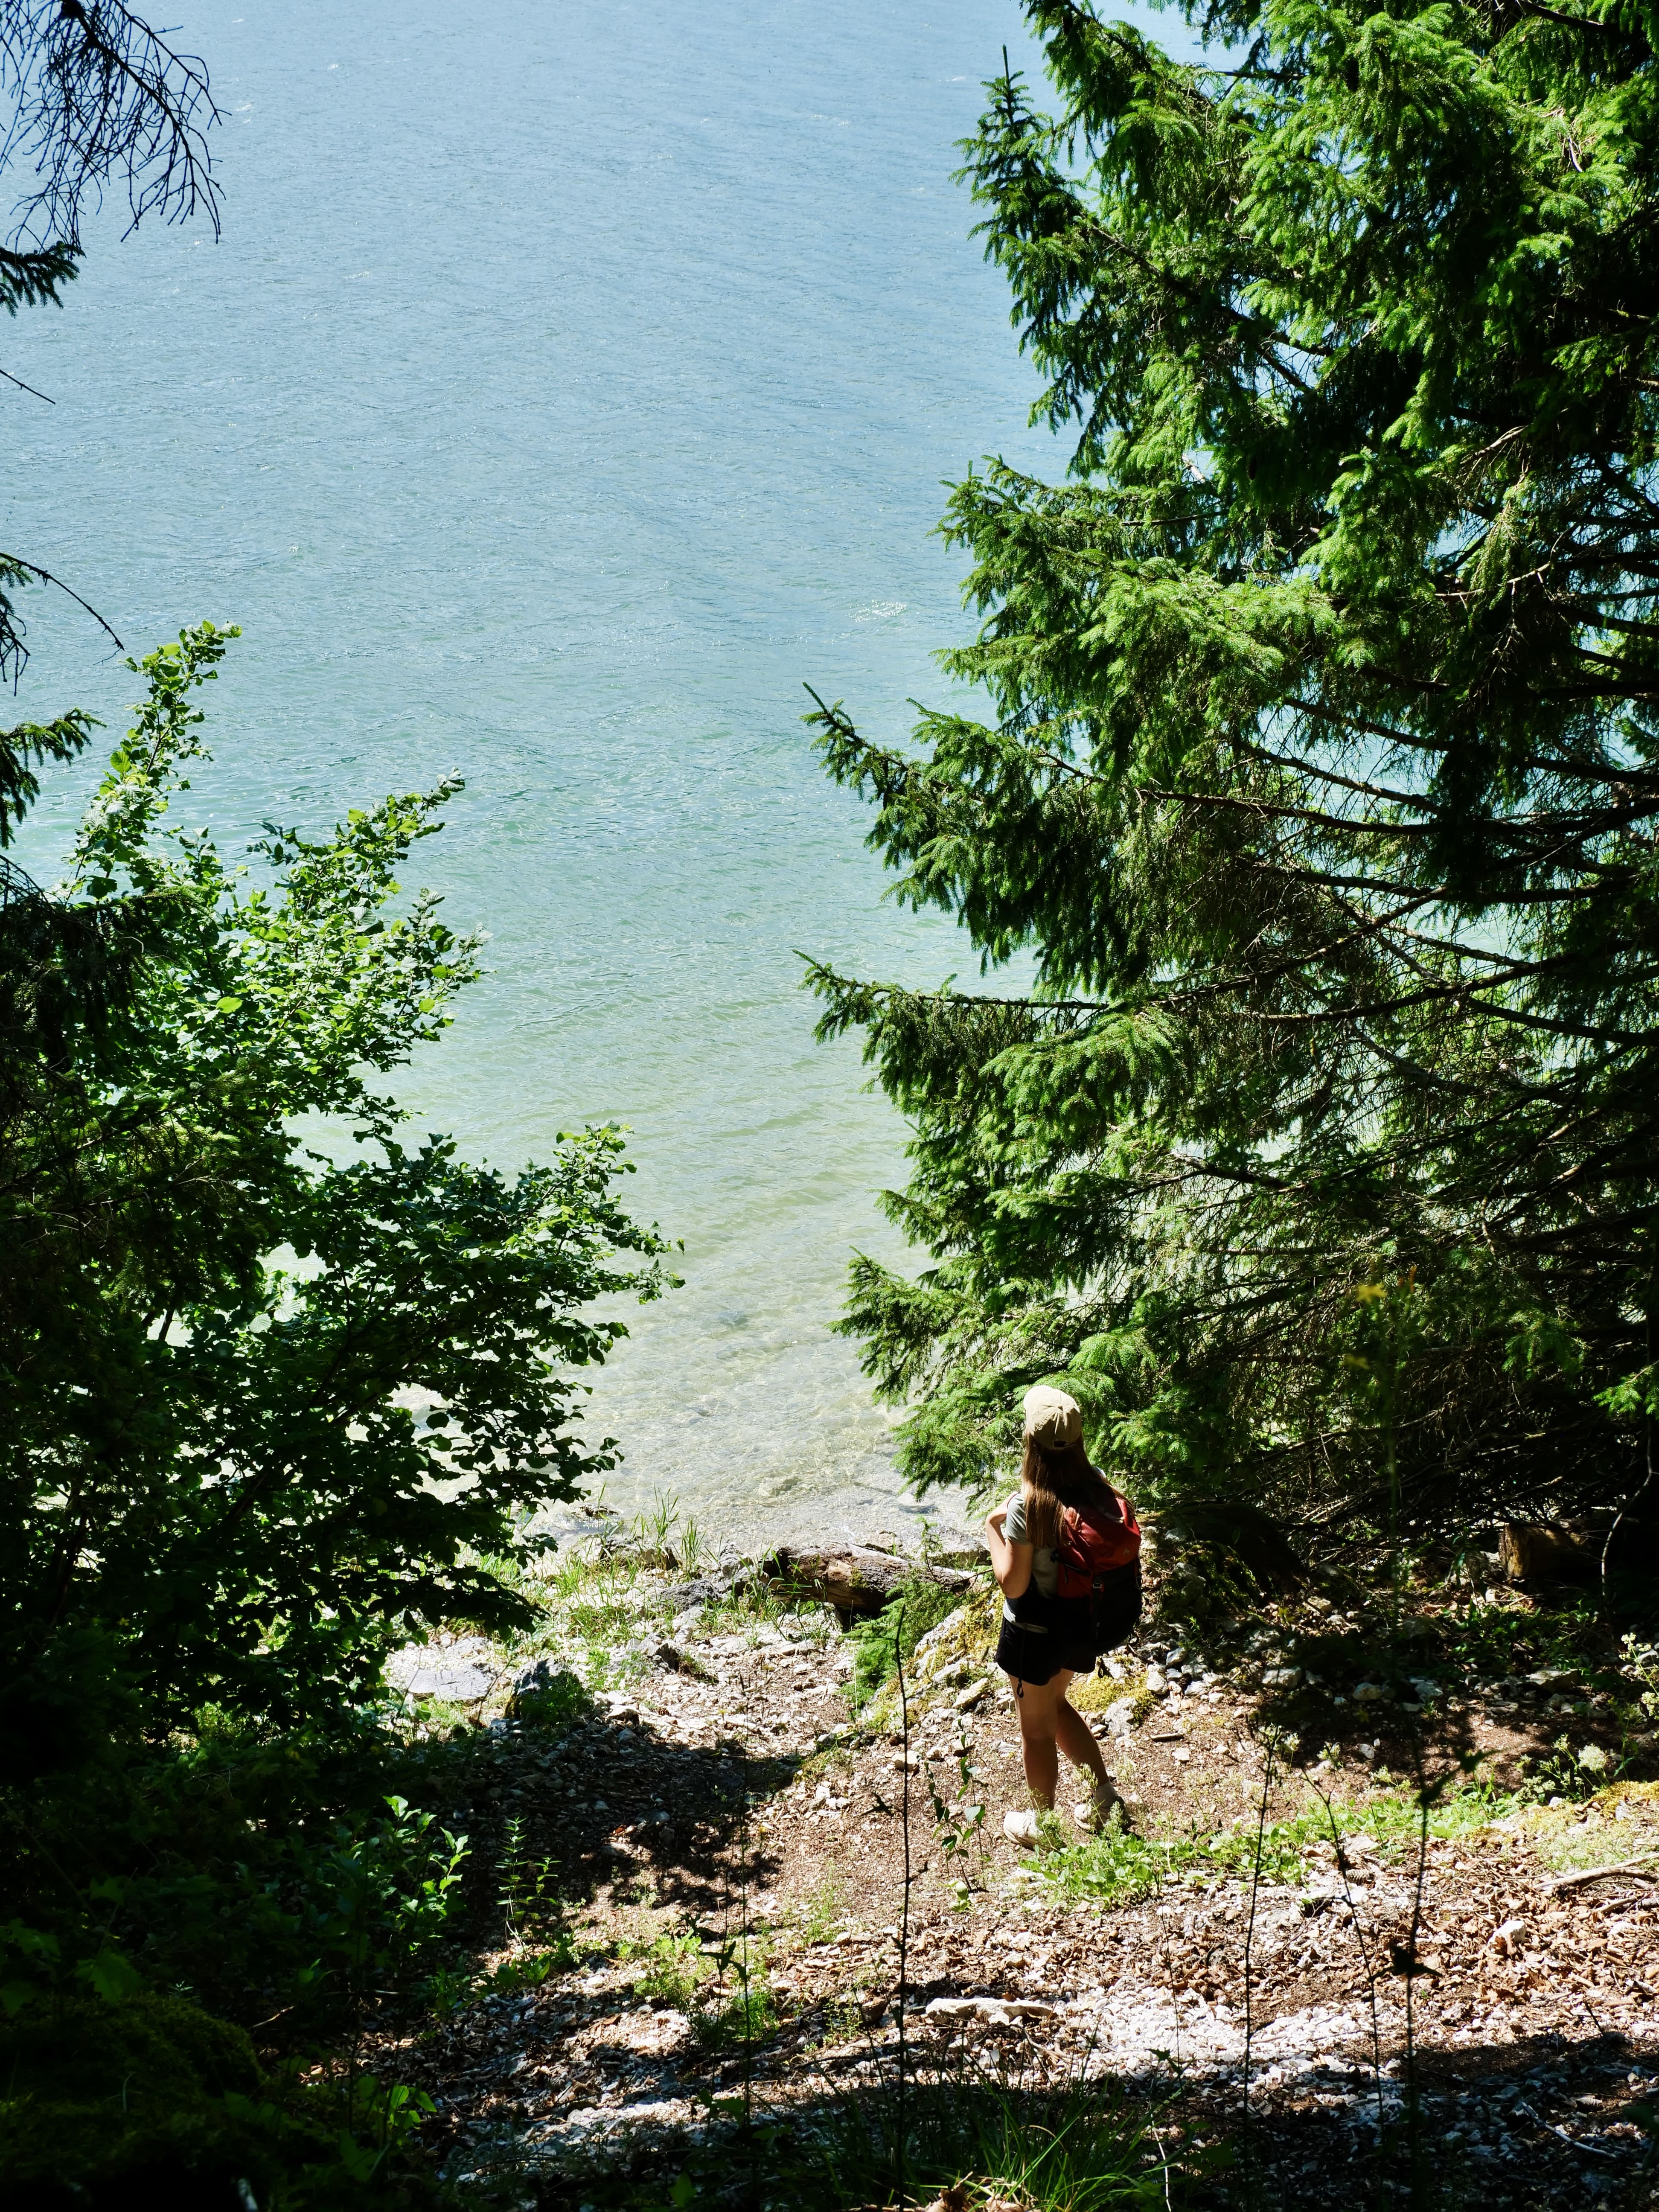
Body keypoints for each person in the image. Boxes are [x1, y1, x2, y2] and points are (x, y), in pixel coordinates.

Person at [985, 1385, 1133, 1847]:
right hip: (1081, 1623)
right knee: (1055, 1705)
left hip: (1034, 1634)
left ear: (1030, 1442)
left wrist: (993, 1529)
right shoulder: (1098, 1483)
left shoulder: (1029, 1506)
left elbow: (1014, 1584)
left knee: (1035, 1731)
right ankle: (1105, 1800)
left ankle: (1043, 1826)